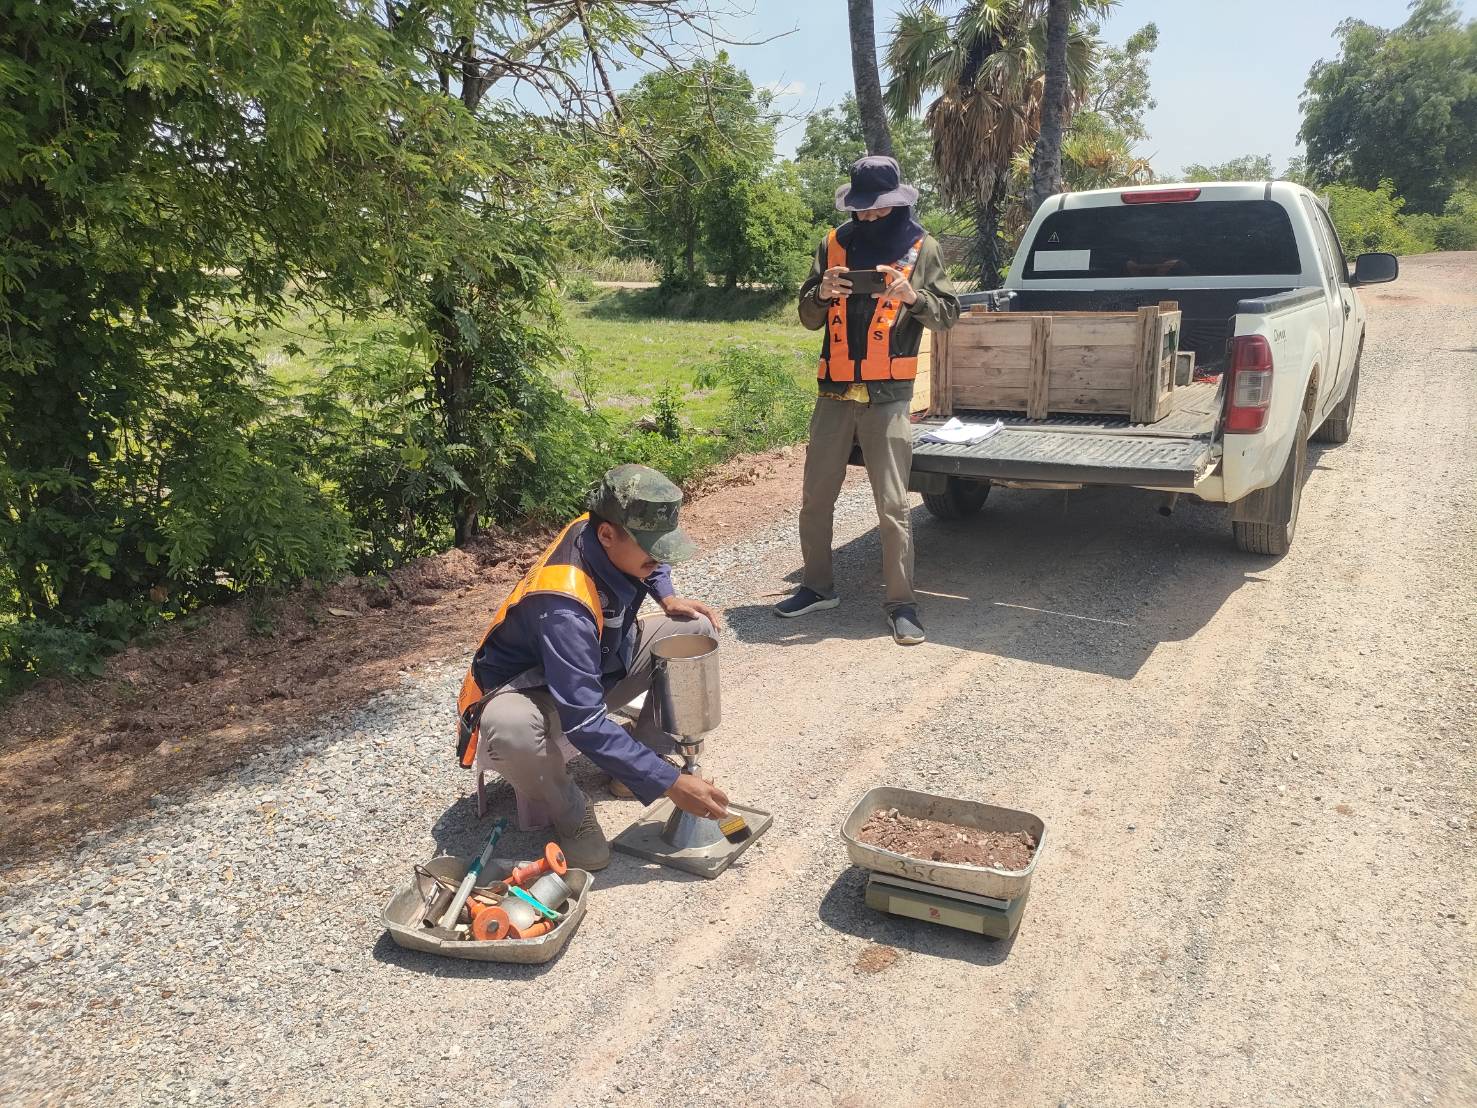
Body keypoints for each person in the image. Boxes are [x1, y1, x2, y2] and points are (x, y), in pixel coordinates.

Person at [454, 464, 729, 870]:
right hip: (528, 692)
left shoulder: (604, 525)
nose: (660, 557)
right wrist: (671, 784)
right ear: (607, 536)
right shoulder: (563, 607)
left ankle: (642, 758)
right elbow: (582, 721)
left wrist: (666, 596)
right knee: (512, 731)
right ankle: (571, 812)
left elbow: (654, 559)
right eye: (652, 549)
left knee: (694, 629)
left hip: (594, 663)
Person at [777, 155, 960, 645]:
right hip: (834, 394)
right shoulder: (833, 243)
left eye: (879, 207)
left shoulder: (923, 247)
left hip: (888, 398)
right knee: (816, 498)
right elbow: (808, 317)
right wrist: (821, 292)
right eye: (862, 208)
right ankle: (816, 587)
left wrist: (911, 297)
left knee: (893, 506)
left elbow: (947, 315)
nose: (870, 215)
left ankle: (901, 604)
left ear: (897, 202)